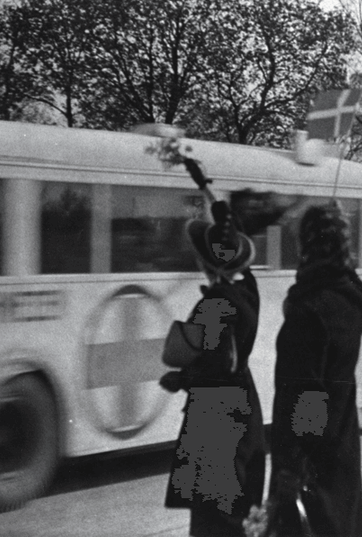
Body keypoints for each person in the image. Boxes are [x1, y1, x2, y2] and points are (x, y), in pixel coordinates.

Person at [159, 199, 266, 537]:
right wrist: (227, 223)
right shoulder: (248, 294)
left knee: (213, 523)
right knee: (240, 518)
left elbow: (216, 366)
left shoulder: (214, 304)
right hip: (246, 412)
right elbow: (245, 268)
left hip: (216, 425)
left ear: (204, 262)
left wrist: (181, 378)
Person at [268, 203, 362, 537]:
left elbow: (306, 400)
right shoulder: (355, 296)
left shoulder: (308, 312)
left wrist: (289, 469)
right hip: (342, 445)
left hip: (310, 461)